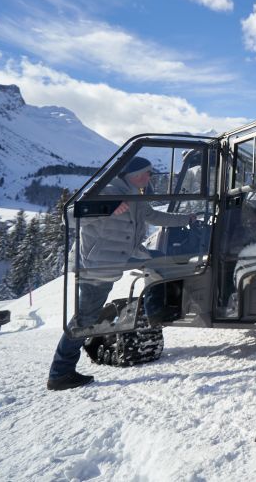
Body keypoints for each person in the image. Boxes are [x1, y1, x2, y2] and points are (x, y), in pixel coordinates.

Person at [46, 156, 194, 391]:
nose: (150, 177)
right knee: (85, 319)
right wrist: (106, 208)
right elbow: (70, 218)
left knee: (161, 262)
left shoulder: (136, 194)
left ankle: (156, 309)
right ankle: (60, 373)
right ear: (134, 174)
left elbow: (154, 216)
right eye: (148, 173)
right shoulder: (108, 192)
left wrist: (187, 218)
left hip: (120, 258)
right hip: (96, 265)